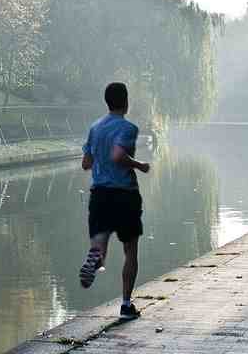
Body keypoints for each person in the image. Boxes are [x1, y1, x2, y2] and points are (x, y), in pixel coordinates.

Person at [79, 82, 150, 321]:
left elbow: (86, 163)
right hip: (124, 194)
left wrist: (100, 159)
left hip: (99, 194)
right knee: (130, 250)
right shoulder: (128, 128)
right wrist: (139, 165)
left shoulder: (95, 128)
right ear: (126, 101)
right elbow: (118, 155)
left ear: (107, 102)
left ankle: (95, 256)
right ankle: (126, 305)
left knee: (100, 243)